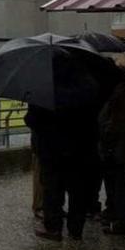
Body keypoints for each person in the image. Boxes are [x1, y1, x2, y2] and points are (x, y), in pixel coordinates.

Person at [25, 103, 98, 241]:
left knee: (52, 189)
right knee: (77, 190)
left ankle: (53, 228)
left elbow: (31, 120)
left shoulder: (44, 94)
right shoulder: (84, 89)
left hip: (51, 149)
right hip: (78, 149)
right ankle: (76, 229)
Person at [98, 65, 125, 236]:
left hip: (116, 150)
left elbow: (114, 126)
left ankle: (123, 223)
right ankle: (119, 218)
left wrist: (106, 142)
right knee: (119, 185)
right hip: (123, 149)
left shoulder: (120, 96)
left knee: (119, 186)